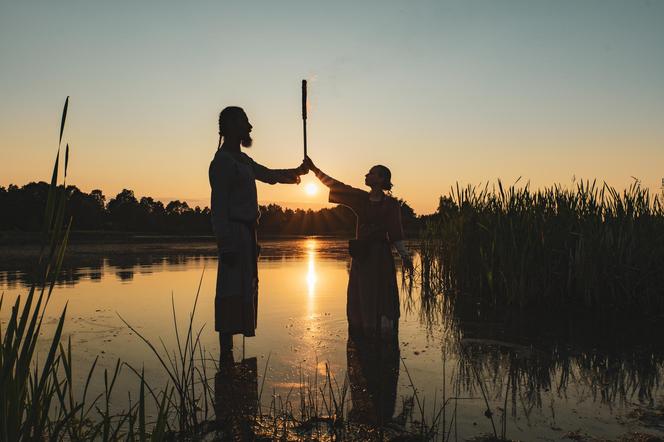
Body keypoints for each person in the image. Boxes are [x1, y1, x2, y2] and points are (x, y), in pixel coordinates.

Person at [210, 106, 307, 353]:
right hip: (234, 235)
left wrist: (297, 172)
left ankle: (230, 369)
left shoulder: (243, 160)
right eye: (245, 122)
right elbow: (218, 207)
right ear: (232, 125)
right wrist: (226, 244)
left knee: (244, 289)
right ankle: (226, 354)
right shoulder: (222, 161)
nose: (250, 126)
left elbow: (269, 175)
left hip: (248, 235)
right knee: (230, 290)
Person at [304, 156, 412, 339]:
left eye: (371, 173)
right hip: (362, 256)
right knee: (362, 293)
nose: (366, 175)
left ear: (381, 180)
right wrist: (314, 170)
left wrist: (405, 256)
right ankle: (363, 330)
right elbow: (336, 185)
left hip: (380, 257)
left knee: (382, 293)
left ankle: (382, 331)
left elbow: (395, 233)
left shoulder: (391, 205)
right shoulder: (361, 199)